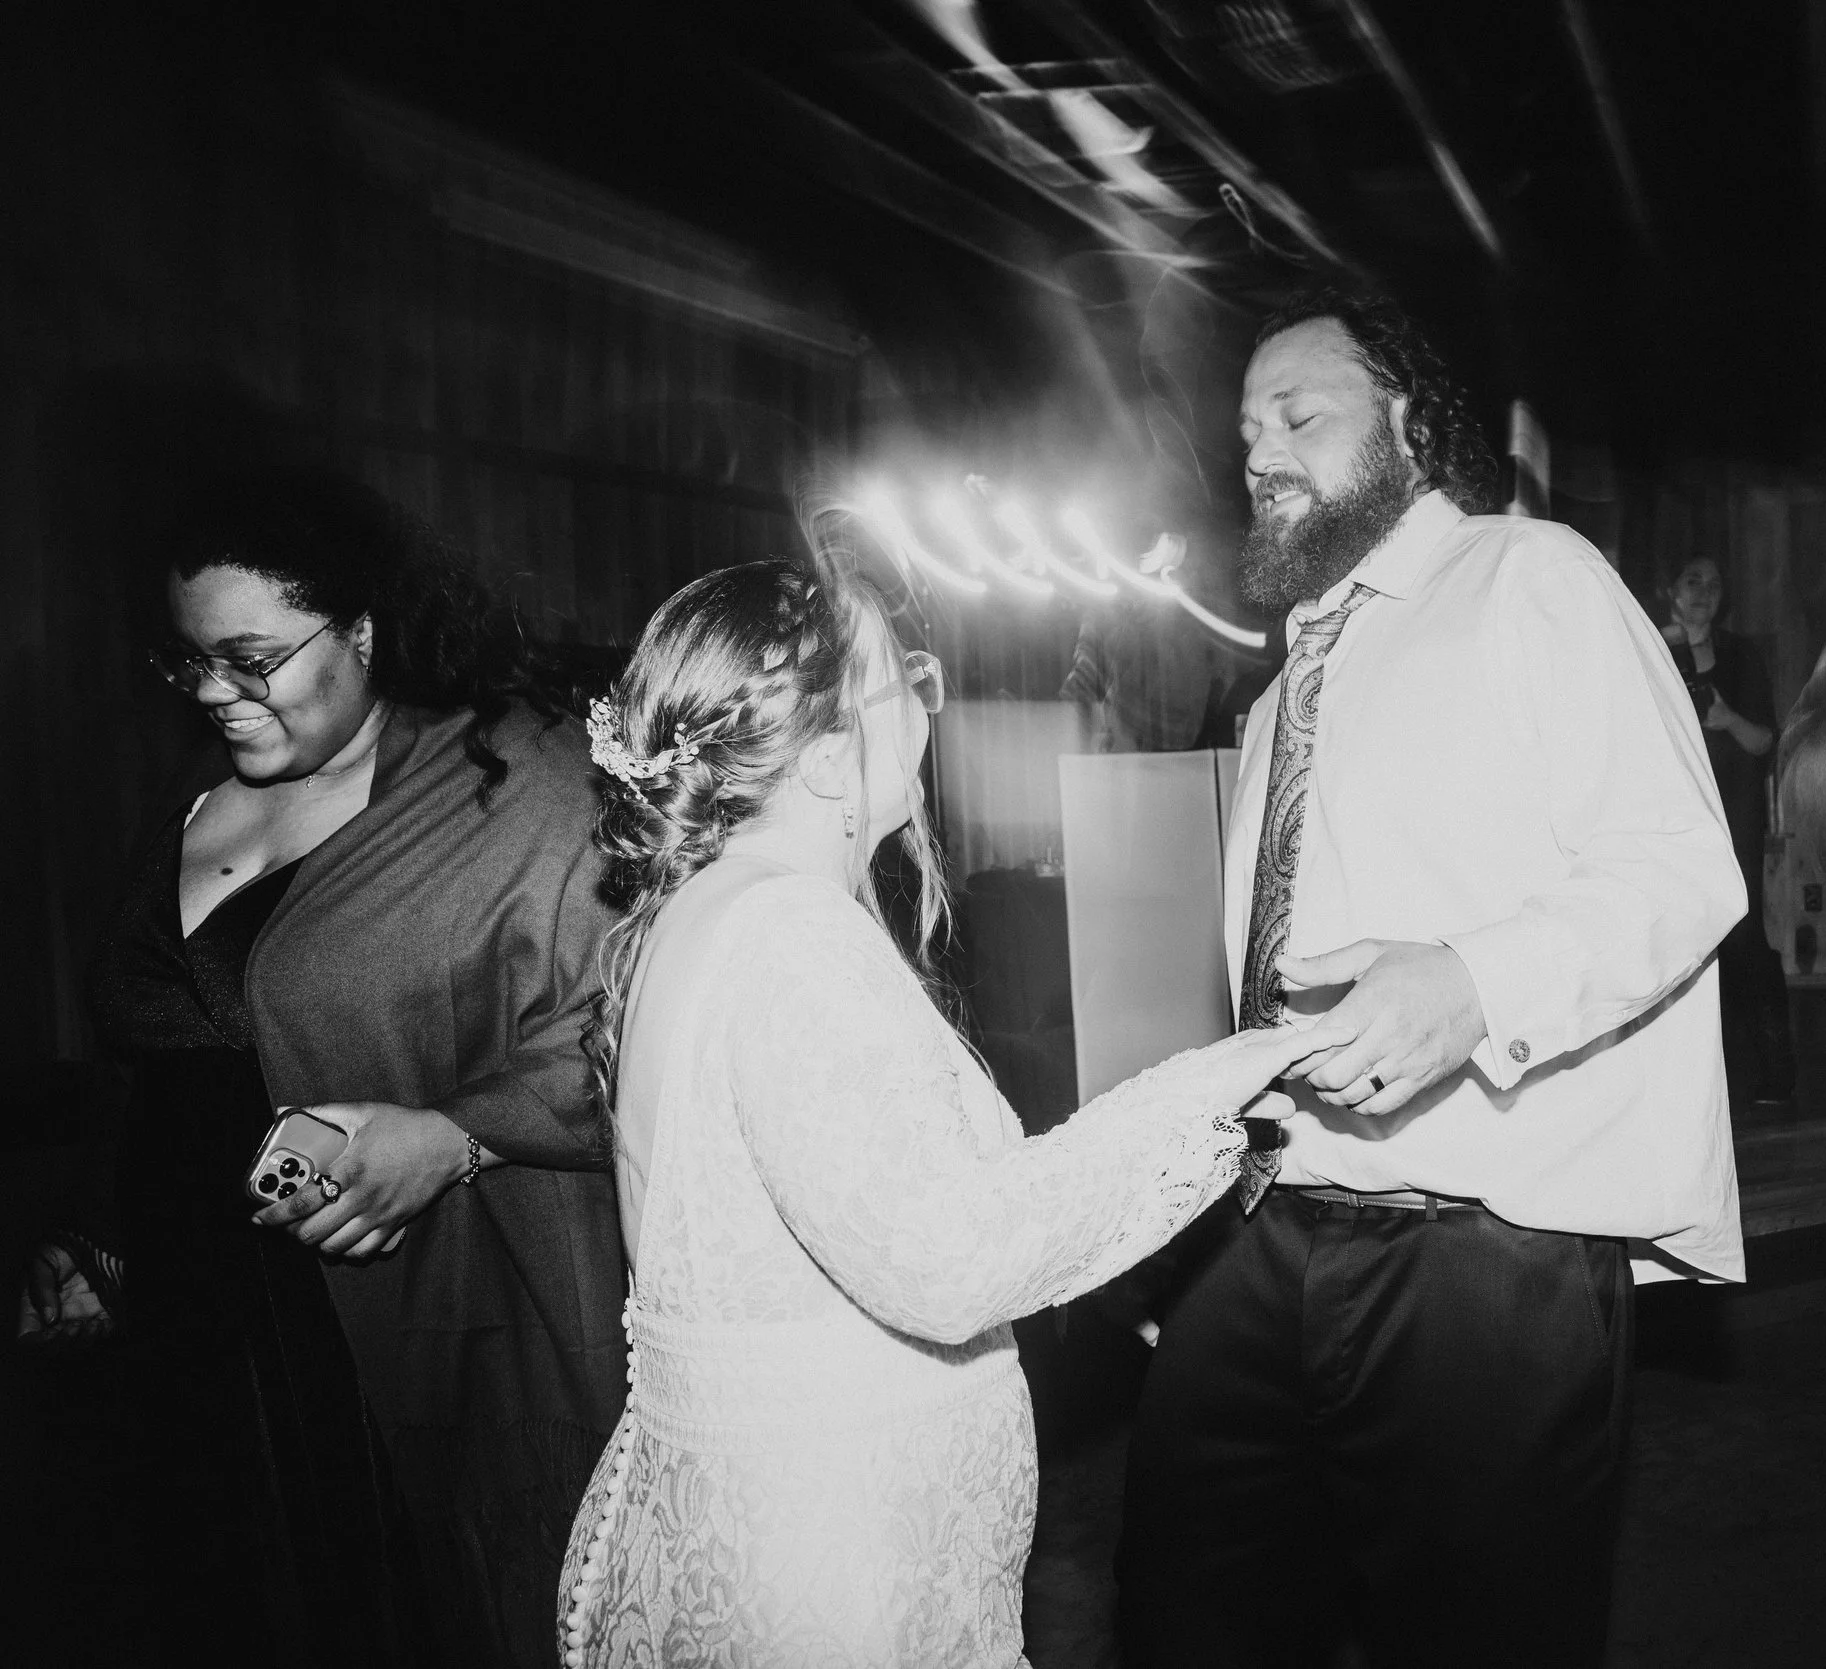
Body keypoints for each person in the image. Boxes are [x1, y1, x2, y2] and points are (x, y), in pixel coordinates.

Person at [554, 559, 1343, 1666]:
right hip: (829, 1577)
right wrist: (1218, 1088)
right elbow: (951, 1257)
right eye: (903, 684)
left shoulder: (692, 915)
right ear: (829, 760)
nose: (929, 711)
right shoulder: (790, 936)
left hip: (752, 1528)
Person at [1115, 289, 1747, 1669]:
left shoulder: (1535, 579)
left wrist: (1471, 984)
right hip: (1269, 1230)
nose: (1260, 450)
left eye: (1299, 413)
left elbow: (1682, 867)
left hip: (1485, 1262)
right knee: (1182, 1618)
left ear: (1407, 425)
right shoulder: (1283, 688)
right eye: (1244, 429)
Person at [19, 466, 630, 1666]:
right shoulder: (193, 796)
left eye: (253, 660)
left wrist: (455, 1133)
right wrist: (97, 1237)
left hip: (374, 1334)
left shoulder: (512, 784)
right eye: (189, 662)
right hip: (186, 1333)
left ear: (361, 626)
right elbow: (160, 1068)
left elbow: (632, 1033)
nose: (217, 695)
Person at [1654, 553, 1794, 1103]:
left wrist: (1726, 719)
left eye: (1714, 583)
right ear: (1671, 589)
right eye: (1693, 580)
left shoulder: (1742, 655)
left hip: (1733, 819)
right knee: (1674, 937)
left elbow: (1765, 740)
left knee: (1743, 935)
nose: (1704, 591)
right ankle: (1682, 1085)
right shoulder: (1651, 648)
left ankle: (1770, 1078)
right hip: (1669, 821)